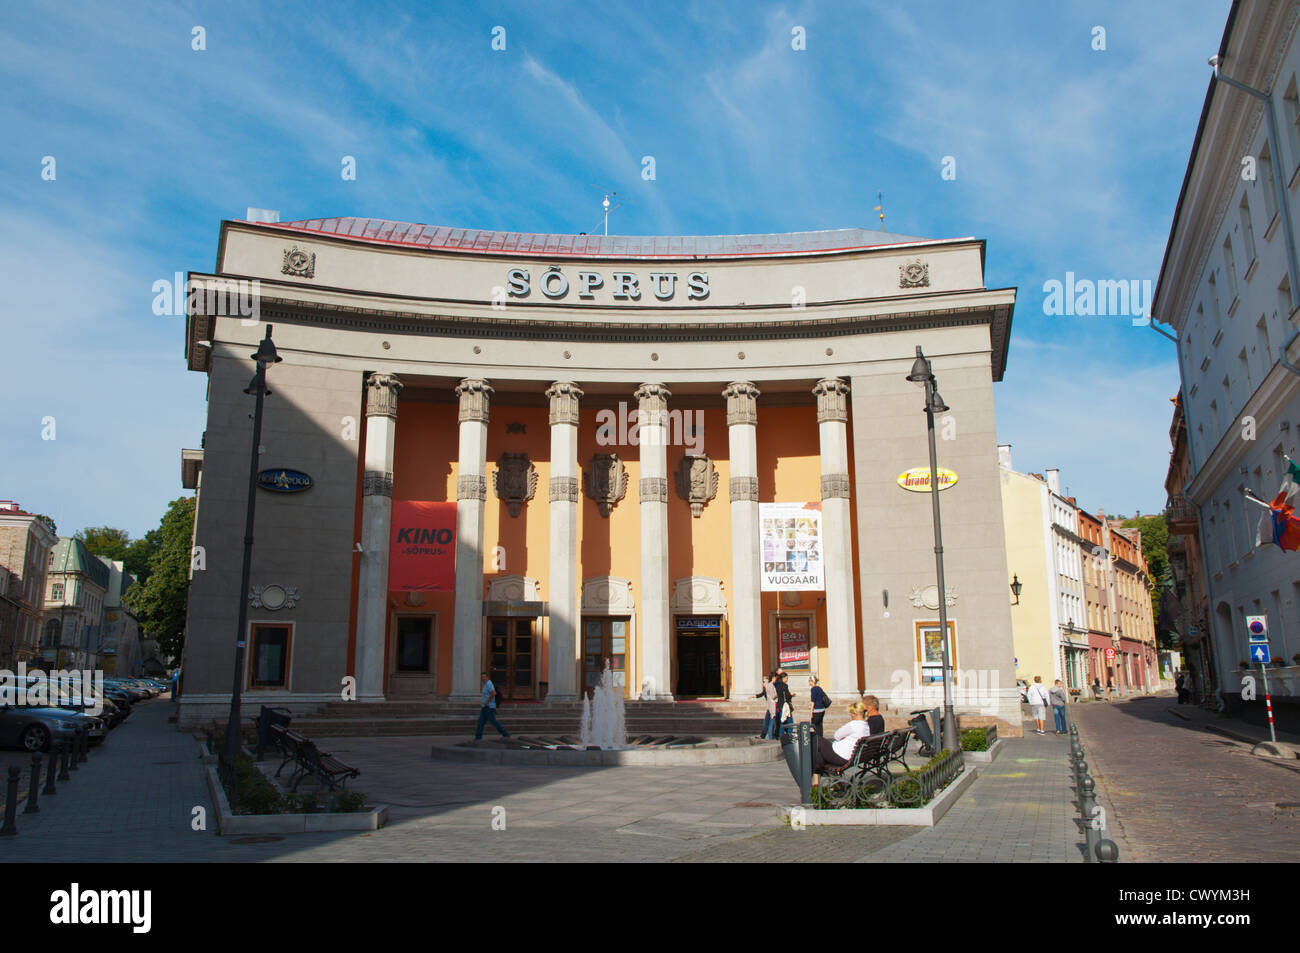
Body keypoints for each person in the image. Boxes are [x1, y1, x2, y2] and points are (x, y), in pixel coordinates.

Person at [812, 701, 870, 785]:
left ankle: (814, 772)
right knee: (818, 751)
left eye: (851, 713)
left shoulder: (853, 725)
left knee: (816, 739)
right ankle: (816, 780)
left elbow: (837, 735)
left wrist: (844, 737)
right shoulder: (866, 725)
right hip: (850, 756)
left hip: (841, 757)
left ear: (854, 713)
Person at [474, 671, 510, 740]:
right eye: (482, 677)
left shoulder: (489, 684)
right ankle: (477, 738)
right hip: (485, 707)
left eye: (484, 677)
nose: (483, 678)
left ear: (487, 677)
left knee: (494, 722)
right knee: (480, 722)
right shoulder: (484, 684)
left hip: (489, 707)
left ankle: (505, 734)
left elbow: (493, 693)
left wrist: (487, 701)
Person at [775, 670, 795, 739]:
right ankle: (789, 735)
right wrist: (792, 695)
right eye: (786, 678)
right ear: (783, 678)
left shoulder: (777, 685)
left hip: (779, 705)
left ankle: (781, 736)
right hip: (785, 706)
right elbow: (787, 695)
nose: (787, 679)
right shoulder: (784, 686)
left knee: (782, 721)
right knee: (790, 721)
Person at [756, 674, 774, 739]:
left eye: (764, 682)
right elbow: (762, 694)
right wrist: (754, 696)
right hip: (769, 708)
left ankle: (771, 737)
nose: (763, 683)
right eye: (762, 682)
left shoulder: (771, 688)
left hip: (773, 709)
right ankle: (763, 736)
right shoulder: (766, 689)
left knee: (771, 724)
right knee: (766, 722)